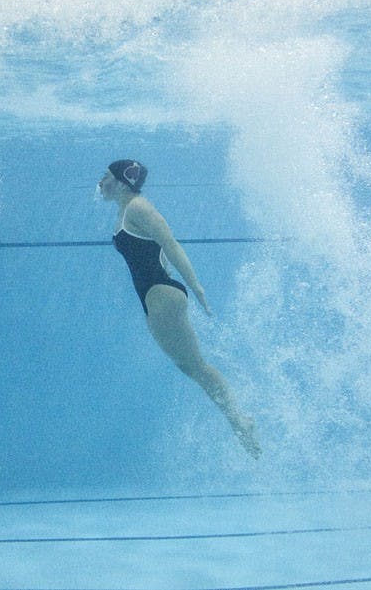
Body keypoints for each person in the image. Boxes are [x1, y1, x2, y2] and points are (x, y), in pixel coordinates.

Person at [98, 159, 261, 459]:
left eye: (106, 177)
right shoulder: (126, 209)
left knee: (197, 366)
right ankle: (237, 418)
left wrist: (197, 288)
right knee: (189, 367)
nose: (100, 182)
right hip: (156, 296)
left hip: (161, 295)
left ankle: (239, 419)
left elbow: (171, 245)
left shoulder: (138, 207)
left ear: (122, 182)